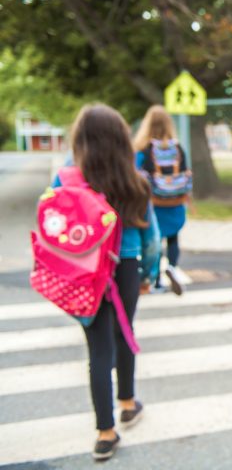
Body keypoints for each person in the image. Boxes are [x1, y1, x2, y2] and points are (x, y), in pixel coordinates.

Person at [52, 104, 160, 461]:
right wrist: (148, 275)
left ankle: (105, 431)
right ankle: (128, 402)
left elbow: (53, 229)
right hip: (124, 267)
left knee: (98, 349)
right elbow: (152, 240)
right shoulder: (135, 180)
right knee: (125, 333)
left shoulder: (65, 179)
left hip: (83, 273)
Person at [133, 105, 189, 295]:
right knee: (173, 237)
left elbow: (135, 175)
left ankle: (155, 280)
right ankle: (172, 267)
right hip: (176, 201)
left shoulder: (143, 150)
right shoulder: (177, 148)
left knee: (154, 240)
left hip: (153, 203)